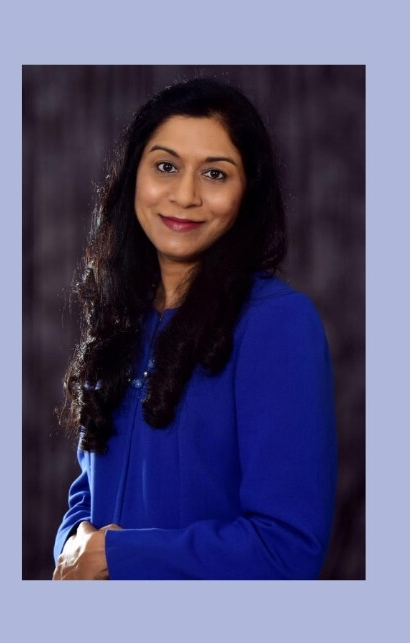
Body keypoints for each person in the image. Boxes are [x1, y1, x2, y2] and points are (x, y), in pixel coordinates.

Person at [51, 77, 336, 580]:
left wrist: (115, 557)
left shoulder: (277, 324)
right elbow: (87, 488)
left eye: (215, 174)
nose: (185, 196)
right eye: (165, 167)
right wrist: (74, 544)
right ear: (132, 176)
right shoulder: (121, 316)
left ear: (247, 191)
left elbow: (288, 549)